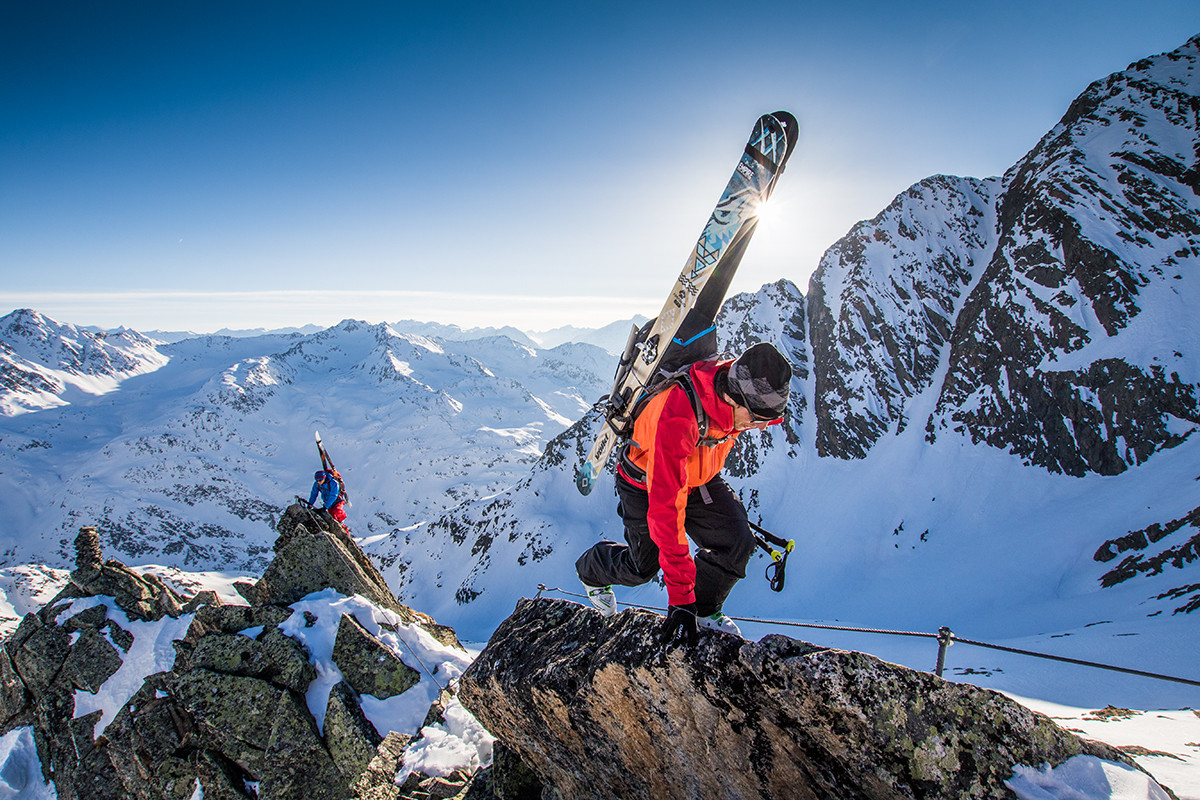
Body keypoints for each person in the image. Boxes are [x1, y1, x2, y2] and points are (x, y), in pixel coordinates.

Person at [575, 342, 792, 647]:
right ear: (731, 397)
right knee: (643, 568)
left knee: (737, 543)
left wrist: (693, 604)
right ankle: (592, 569)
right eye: (757, 418)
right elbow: (666, 509)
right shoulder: (679, 415)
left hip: (699, 478)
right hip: (645, 484)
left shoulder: (738, 382)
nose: (760, 427)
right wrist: (680, 599)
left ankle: (706, 610)